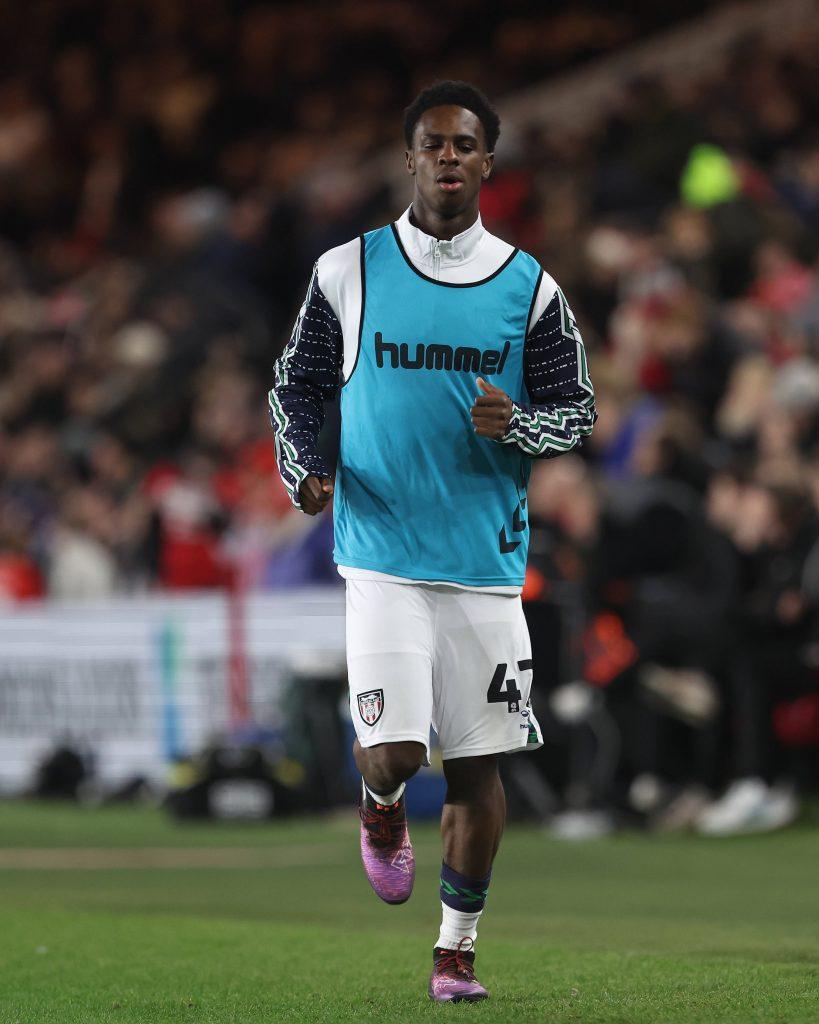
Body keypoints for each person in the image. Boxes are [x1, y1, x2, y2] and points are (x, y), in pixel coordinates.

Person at [268, 80, 596, 1003]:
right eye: (433, 143)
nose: (449, 157)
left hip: (485, 560)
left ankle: (456, 951)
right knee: (397, 756)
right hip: (379, 550)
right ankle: (377, 811)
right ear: (409, 158)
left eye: (465, 144)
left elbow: (576, 410)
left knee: (478, 763)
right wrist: (306, 468)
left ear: (489, 162)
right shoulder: (349, 269)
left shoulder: (529, 287)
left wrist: (520, 427)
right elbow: (295, 386)